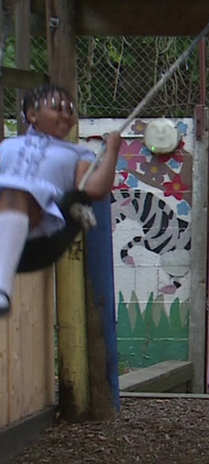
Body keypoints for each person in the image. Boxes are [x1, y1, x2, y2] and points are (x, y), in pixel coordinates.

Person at [0, 84, 121, 316]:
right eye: (57, 108)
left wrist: (112, 151)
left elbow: (94, 190)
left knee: (15, 194)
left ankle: (2, 290)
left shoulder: (77, 153)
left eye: (70, 110)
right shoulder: (7, 146)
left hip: (37, 226)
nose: (66, 114)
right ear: (32, 115)